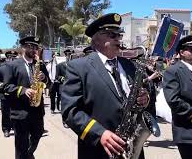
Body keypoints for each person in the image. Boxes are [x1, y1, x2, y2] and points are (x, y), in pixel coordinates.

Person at [61, 13, 150, 159]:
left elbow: (136, 98)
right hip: (98, 149)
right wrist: (99, 133)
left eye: (119, 35)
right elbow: (70, 111)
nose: (117, 39)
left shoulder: (130, 66)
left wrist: (144, 99)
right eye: (111, 35)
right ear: (96, 39)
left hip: (132, 147)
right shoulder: (78, 67)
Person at [4, 36, 51, 159]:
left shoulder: (40, 64)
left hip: (37, 110)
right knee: (21, 144)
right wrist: (23, 90)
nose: (33, 49)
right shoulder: (12, 65)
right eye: (30, 46)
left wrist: (44, 78)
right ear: (23, 47)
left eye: (35, 47)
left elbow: (49, 83)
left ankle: (28, 154)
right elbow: (5, 86)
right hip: (20, 112)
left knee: (38, 134)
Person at [0, 51, 17, 138]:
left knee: (16, 113)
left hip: (16, 94)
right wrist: (0, 84)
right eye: (10, 57)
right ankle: (6, 129)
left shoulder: (18, 68)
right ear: (7, 58)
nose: (11, 59)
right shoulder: (1, 68)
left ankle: (15, 127)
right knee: (5, 113)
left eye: (13, 57)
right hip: (4, 94)